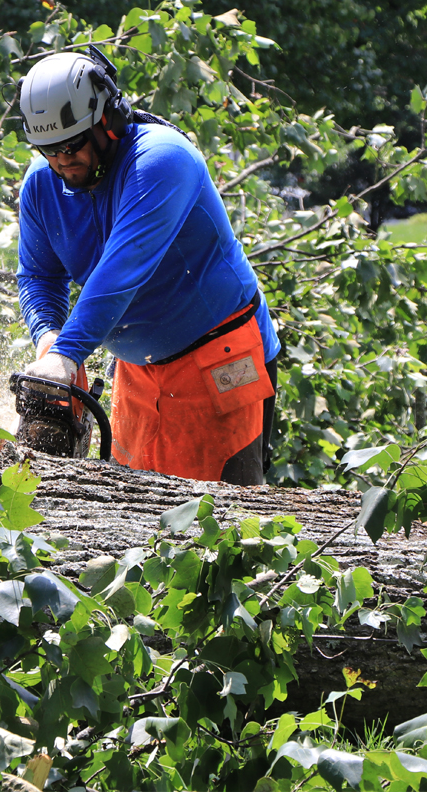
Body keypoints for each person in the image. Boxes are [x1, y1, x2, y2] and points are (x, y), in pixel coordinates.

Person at [16, 48, 280, 486]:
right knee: (135, 511)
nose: (61, 160)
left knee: (226, 518)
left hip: (219, 360)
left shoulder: (161, 161)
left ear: (107, 122)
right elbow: (40, 276)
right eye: (48, 149)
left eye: (72, 144)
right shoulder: (42, 186)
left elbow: (123, 271)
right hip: (138, 371)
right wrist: (49, 340)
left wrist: (69, 353)